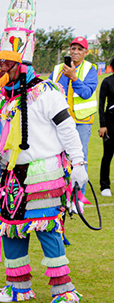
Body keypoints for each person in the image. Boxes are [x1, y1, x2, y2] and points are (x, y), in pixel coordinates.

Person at [0, 0, 86, 303]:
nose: (0, 69)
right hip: (10, 174)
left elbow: (67, 130)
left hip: (43, 171)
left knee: (48, 230)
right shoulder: (1, 98)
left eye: (6, 64)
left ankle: (64, 294)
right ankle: (18, 286)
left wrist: (79, 164)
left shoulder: (45, 93)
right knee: (11, 230)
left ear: (22, 64)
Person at [49, 37, 99, 193]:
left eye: (79, 49)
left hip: (81, 122)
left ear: (86, 52)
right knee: (58, 157)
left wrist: (74, 77)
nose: (75, 52)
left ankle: (79, 197)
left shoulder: (90, 69)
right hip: (60, 121)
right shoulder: (58, 69)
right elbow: (48, 89)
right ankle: (63, 193)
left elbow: (86, 93)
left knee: (79, 159)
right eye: (73, 48)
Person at [97, 57, 114, 197]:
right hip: (110, 123)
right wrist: (102, 125)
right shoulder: (107, 82)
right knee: (108, 155)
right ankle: (105, 186)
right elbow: (101, 104)